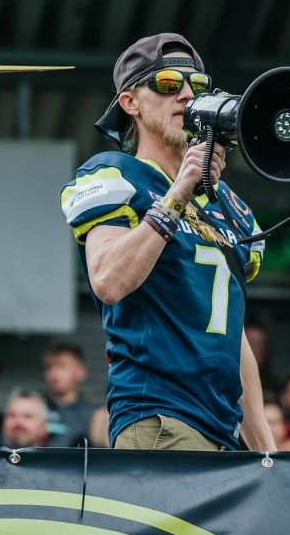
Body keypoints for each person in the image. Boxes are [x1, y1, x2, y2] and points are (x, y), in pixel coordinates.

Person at [60, 33, 274, 452]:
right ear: (130, 103)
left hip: (224, 432)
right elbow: (107, 280)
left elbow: (234, 337)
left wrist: (267, 451)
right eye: (166, 84)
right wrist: (178, 195)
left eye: (197, 85)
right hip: (160, 418)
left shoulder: (229, 204)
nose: (185, 94)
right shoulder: (114, 172)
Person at [42, 342, 99, 447]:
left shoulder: (95, 415)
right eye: (48, 367)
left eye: (61, 366)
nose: (53, 373)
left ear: (81, 372)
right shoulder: (33, 410)